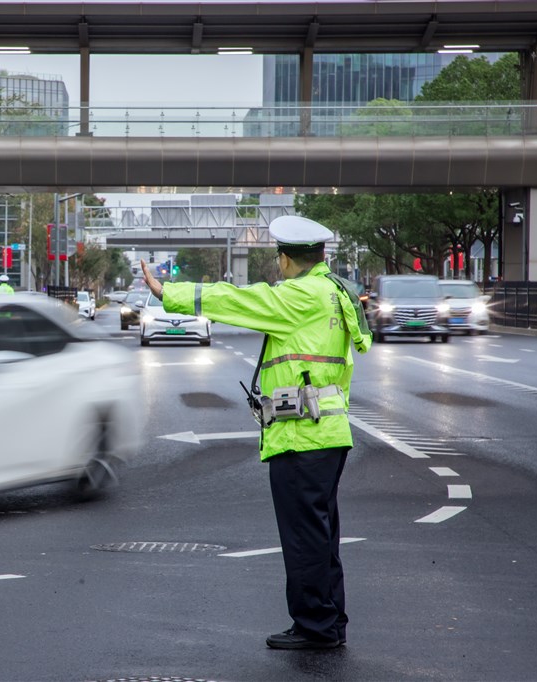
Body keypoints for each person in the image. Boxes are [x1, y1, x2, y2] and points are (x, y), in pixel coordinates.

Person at [141, 215, 372, 651]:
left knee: (304, 537)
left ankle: (314, 627)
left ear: (286, 260)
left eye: (279, 259)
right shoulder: (335, 290)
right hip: (327, 433)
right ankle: (329, 619)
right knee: (322, 535)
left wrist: (167, 292)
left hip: (301, 436)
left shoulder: (300, 296)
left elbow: (239, 300)